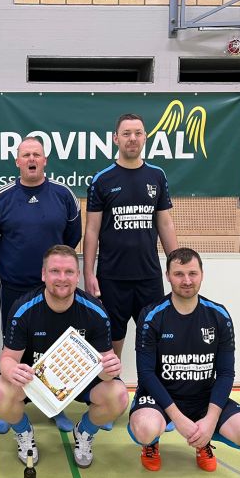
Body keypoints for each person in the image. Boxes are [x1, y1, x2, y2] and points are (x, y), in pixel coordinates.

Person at [0, 245, 128, 468]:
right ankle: (24, 432)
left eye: (69, 272)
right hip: (33, 381)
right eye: (55, 271)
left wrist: (110, 368)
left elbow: (105, 372)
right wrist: (12, 370)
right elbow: (7, 358)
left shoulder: (96, 312)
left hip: (79, 382)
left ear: (78, 275)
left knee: (119, 396)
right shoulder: (23, 308)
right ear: (43, 274)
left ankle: (84, 432)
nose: (62, 278)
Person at [128, 248, 240, 472]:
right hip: (160, 399)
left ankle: (203, 439)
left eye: (192, 273)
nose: (187, 280)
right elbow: (146, 374)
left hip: (203, 399)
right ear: (167, 276)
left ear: (202, 274)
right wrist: (178, 419)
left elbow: (226, 373)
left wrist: (211, 420)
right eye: (179, 274)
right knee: (145, 429)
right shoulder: (151, 316)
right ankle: (151, 443)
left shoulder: (219, 315)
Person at [0, 136, 82, 433]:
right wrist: (11, 263)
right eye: (26, 155)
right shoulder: (2, 196)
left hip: (54, 289)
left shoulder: (63, 195)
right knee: (14, 347)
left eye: (36, 155)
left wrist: (55, 273)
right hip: (14, 286)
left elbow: (72, 238)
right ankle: (11, 408)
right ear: (17, 161)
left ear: (44, 160)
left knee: (54, 349)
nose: (31, 159)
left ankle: (55, 406)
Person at [84, 113, 178, 359]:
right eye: (126, 133)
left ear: (145, 137)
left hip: (149, 276)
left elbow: (165, 223)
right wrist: (88, 273)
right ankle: (112, 382)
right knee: (112, 340)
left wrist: (176, 266)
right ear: (116, 139)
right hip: (112, 277)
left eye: (138, 133)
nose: (132, 138)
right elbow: (91, 230)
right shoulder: (102, 180)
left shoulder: (157, 176)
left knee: (154, 336)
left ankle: (151, 384)